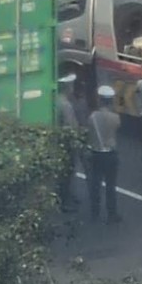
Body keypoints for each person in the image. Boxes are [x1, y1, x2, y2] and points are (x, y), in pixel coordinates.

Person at [85, 85, 122, 223]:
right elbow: (115, 130)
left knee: (95, 183)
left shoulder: (92, 117)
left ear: (99, 100)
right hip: (110, 154)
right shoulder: (115, 118)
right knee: (111, 185)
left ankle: (95, 211)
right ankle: (112, 213)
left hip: (96, 152)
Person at [54, 72, 80, 211]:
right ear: (67, 87)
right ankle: (64, 201)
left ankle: (65, 196)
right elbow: (71, 126)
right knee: (67, 172)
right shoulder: (66, 105)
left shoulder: (57, 100)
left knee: (63, 172)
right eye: (71, 85)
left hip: (59, 142)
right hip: (66, 143)